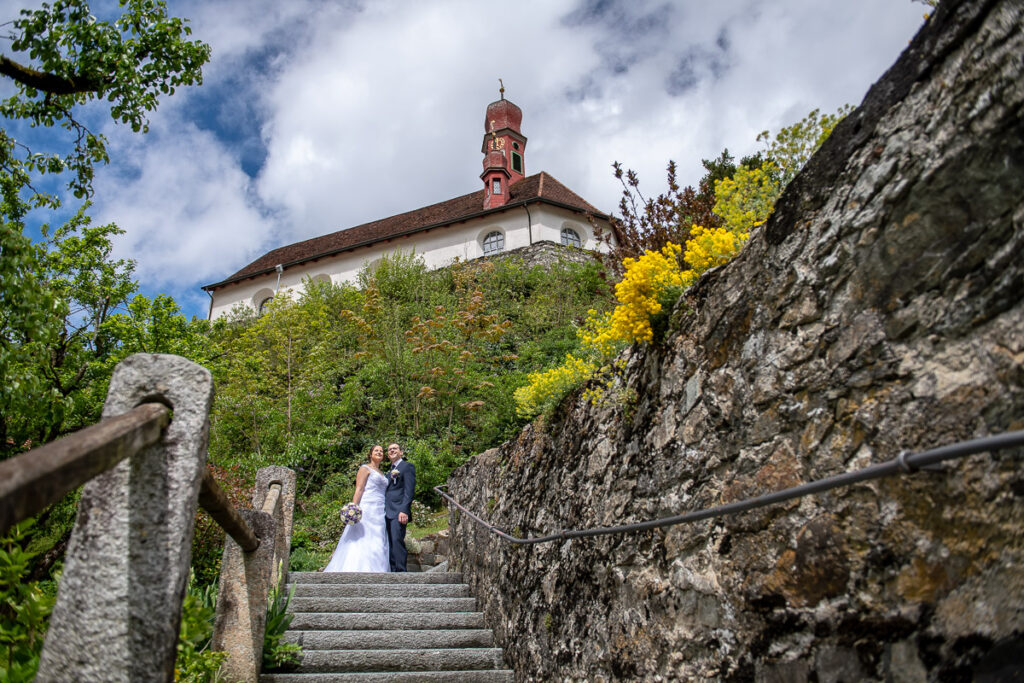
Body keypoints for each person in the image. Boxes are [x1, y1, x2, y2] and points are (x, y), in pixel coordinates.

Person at [324, 444, 390, 572]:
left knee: (378, 538)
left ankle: (377, 569)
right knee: (362, 536)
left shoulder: (382, 473)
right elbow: (359, 489)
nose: (379, 452)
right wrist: (354, 508)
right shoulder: (365, 468)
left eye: (381, 451)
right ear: (370, 454)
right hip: (367, 506)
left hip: (380, 509)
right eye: (376, 450)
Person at [384, 442, 416, 572]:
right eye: (390, 449)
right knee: (390, 541)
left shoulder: (407, 467)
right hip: (386, 512)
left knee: (397, 540)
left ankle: (400, 571)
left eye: (395, 448)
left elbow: (409, 491)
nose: (392, 450)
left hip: (398, 511)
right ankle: (392, 570)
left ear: (401, 452)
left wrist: (404, 510)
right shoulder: (388, 473)